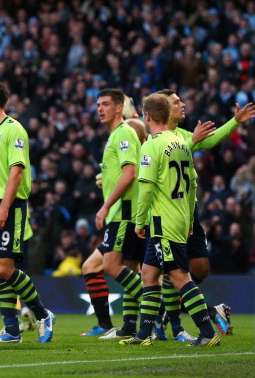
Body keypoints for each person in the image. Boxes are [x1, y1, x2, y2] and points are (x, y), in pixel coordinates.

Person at [121, 93, 220, 347]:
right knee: (149, 276)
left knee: (179, 277)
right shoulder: (181, 143)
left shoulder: (151, 145)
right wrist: (188, 222)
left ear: (147, 116)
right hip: (177, 217)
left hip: (161, 221)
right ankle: (143, 335)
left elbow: (146, 187)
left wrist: (139, 221)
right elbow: (193, 186)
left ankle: (207, 333)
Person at [155, 90, 255, 336]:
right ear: (164, 109)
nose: (183, 104)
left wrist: (234, 122)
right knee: (169, 272)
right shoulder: (156, 139)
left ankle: (168, 311)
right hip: (166, 215)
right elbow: (168, 160)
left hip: (188, 212)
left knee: (200, 270)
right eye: (176, 102)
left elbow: (208, 142)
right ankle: (167, 321)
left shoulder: (183, 134)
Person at [0, 80, 54, 344]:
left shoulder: (14, 130)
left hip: (9, 205)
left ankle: (42, 314)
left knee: (6, 268)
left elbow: (17, 173)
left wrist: (4, 208)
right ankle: (11, 329)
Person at [86, 89, 145, 340]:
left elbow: (130, 173)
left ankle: (162, 308)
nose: (100, 109)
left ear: (119, 108)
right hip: (122, 212)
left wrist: (106, 205)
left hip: (123, 212)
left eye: (106, 104)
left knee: (111, 266)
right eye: (98, 104)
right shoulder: (114, 136)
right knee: (129, 267)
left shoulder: (124, 133)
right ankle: (129, 326)